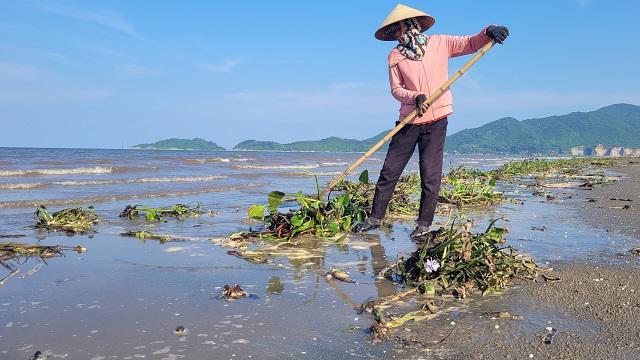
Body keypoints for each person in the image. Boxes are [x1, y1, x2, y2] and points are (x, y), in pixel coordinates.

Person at [355, 4, 509, 239]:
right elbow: (396, 90)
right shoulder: (395, 56)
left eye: (401, 28)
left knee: (430, 175)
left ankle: (423, 225)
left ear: (411, 25)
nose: (399, 33)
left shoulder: (440, 43)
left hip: (437, 120)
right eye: (395, 30)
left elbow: (470, 43)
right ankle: (375, 218)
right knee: (389, 171)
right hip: (408, 120)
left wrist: (489, 30)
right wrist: (414, 97)